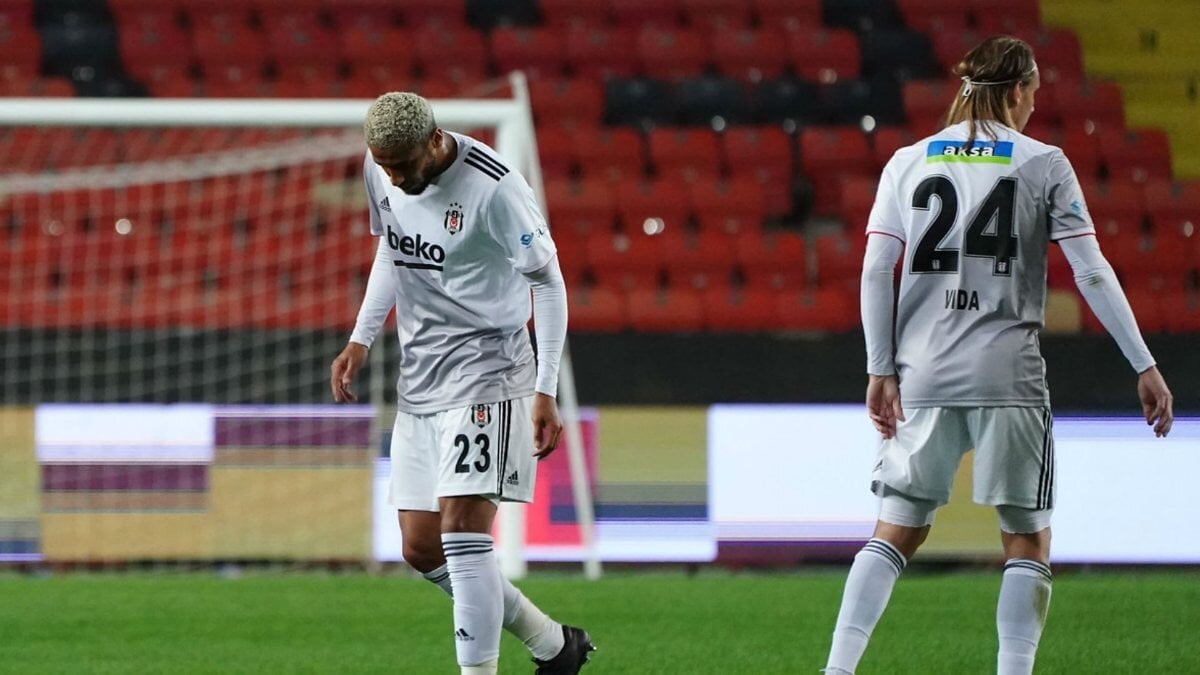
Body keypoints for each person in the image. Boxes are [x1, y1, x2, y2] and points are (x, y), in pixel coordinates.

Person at [823, 36, 1174, 675]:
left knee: (896, 529)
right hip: (1007, 375)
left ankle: (838, 670)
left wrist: (880, 367)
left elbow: (876, 269)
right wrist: (1143, 364)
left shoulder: (908, 161)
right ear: (1017, 91)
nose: (1034, 105)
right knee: (1027, 541)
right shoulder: (1044, 162)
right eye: (1034, 93)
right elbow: (1091, 271)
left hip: (923, 372)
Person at [330, 92, 593, 675]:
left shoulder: (495, 189)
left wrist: (544, 387)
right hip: (421, 379)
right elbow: (393, 248)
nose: (394, 179)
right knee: (421, 546)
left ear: (433, 140)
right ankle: (554, 644)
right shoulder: (382, 166)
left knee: (462, 534)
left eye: (402, 165)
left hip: (490, 374)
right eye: (384, 166)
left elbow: (548, 283)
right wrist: (361, 337)